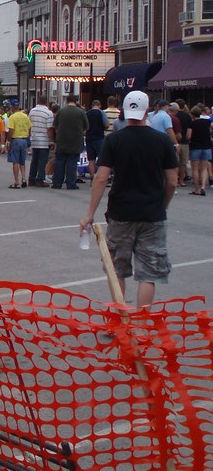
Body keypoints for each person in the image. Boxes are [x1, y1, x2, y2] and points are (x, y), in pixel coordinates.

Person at [79, 90, 178, 308]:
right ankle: (141, 324)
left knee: (117, 271)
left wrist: (89, 213)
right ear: (147, 111)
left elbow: (101, 178)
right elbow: (172, 181)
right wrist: (163, 205)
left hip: (120, 212)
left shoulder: (114, 140)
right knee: (148, 274)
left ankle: (121, 321)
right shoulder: (162, 141)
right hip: (152, 213)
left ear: (124, 110)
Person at [52, 95, 88, 190]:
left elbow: (55, 125)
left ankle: (57, 183)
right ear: (75, 101)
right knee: (72, 163)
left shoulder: (61, 111)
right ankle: (71, 184)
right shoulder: (81, 112)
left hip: (61, 140)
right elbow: (86, 126)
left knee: (59, 162)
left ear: (67, 101)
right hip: (75, 141)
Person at [28, 96, 54, 187]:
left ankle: (31, 178)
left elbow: (29, 125)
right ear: (46, 102)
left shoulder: (32, 111)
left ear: (38, 101)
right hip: (44, 140)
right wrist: (52, 141)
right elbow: (49, 129)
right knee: (42, 161)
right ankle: (40, 179)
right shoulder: (49, 113)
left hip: (34, 139)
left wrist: (30, 136)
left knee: (34, 160)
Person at [5, 99, 31, 188]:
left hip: (16, 140)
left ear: (12, 107)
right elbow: (29, 127)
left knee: (15, 161)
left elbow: (11, 130)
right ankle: (24, 178)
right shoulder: (25, 116)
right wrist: (28, 137)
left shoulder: (12, 117)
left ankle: (16, 182)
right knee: (22, 161)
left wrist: (8, 141)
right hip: (24, 139)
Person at [188, 105, 212, 196]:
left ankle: (196, 189)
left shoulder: (192, 124)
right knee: (204, 168)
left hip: (195, 147)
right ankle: (203, 187)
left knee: (195, 168)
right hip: (206, 146)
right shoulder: (207, 122)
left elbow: (188, 136)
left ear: (192, 114)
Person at [85, 98, 107, 182]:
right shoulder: (101, 112)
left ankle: (92, 177)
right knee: (101, 158)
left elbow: (85, 126)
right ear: (99, 105)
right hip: (99, 137)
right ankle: (101, 177)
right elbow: (107, 124)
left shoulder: (87, 113)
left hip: (89, 138)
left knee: (91, 159)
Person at [172, 99, 192, 186]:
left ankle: (174, 179)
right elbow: (189, 130)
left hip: (173, 141)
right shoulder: (187, 116)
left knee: (174, 162)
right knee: (183, 163)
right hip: (184, 142)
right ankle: (181, 181)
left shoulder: (171, 117)